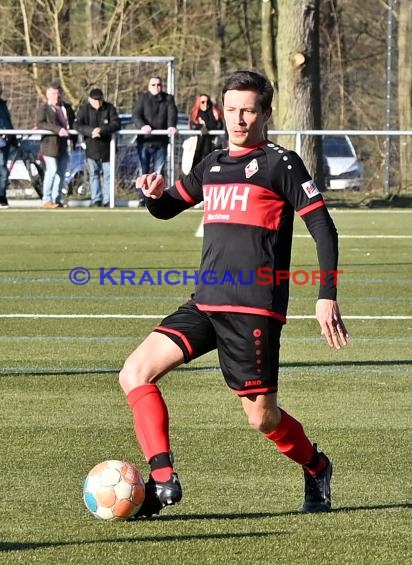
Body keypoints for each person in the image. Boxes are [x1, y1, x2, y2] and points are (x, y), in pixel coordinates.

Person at [120, 70, 349, 518]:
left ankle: (317, 466)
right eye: (231, 110)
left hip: (253, 311)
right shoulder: (213, 162)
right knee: (134, 372)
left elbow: (322, 226)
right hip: (205, 303)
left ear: (265, 112)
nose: (238, 119)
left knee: (262, 419)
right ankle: (162, 479)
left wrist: (327, 293)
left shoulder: (280, 164)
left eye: (248, 110)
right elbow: (170, 207)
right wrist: (154, 196)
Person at [132, 76, 178, 206]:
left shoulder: (168, 99)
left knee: (158, 173)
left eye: (158, 84)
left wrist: (171, 126)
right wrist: (142, 126)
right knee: (143, 172)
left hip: (161, 142)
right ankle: (142, 198)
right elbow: (136, 115)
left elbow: (172, 114)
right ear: (148, 86)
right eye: (153, 85)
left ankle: (156, 198)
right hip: (145, 141)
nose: (156, 87)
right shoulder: (143, 98)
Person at [75, 88, 120, 207]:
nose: (98, 102)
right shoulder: (84, 109)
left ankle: (108, 200)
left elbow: (116, 124)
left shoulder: (109, 108)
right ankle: (96, 199)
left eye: (100, 99)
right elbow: (78, 125)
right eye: (95, 100)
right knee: (94, 174)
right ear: (90, 99)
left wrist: (102, 130)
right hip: (91, 148)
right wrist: (90, 132)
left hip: (108, 148)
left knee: (108, 174)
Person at [36, 81, 76, 208]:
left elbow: (73, 123)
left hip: (64, 145)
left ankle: (56, 199)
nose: (56, 97)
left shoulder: (67, 108)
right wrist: (57, 129)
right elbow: (41, 123)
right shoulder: (44, 108)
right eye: (53, 94)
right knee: (52, 170)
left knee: (61, 173)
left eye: (58, 94)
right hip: (49, 145)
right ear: (48, 95)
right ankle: (46, 200)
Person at [184, 94, 223, 172]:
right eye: (203, 102)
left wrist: (205, 126)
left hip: (211, 145)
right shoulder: (195, 113)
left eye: (207, 102)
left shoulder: (214, 112)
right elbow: (192, 127)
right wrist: (202, 127)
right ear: (199, 103)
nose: (205, 104)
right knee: (195, 168)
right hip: (196, 147)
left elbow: (218, 126)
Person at [0, 86, 16, 208]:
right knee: (2, 171)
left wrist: (12, 136)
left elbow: (7, 122)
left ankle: (2, 197)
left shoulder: (3, 105)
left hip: (4, 144)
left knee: (3, 171)